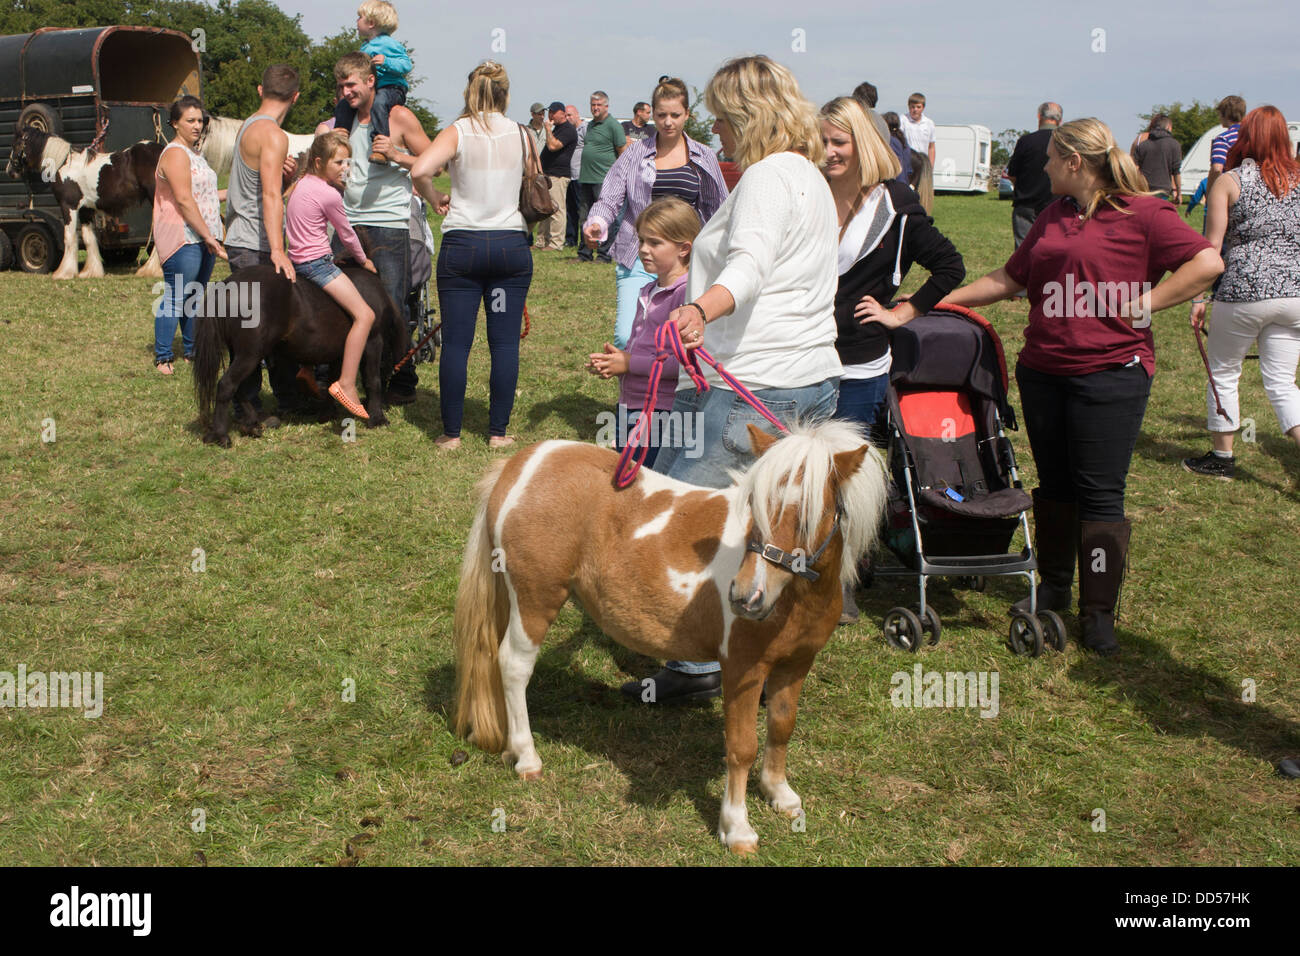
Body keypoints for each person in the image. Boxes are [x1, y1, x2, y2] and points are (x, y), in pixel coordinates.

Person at [865, 118, 1223, 657]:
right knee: (1054, 488)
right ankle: (1054, 585)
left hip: (1111, 374)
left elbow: (1208, 262)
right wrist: (925, 306)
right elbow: (1010, 279)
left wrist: (1150, 303)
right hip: (1044, 371)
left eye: (1050, 160)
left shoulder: (1145, 212)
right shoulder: (1055, 215)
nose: (1041, 168)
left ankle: (1097, 611)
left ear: (1075, 162)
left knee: (1101, 494)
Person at [620, 55, 842, 703]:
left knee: (683, 518)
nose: (714, 126)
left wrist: (698, 307)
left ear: (751, 113)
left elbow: (747, 266)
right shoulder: (808, 178)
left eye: (722, 113)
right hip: (808, 379)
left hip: (754, 386)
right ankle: (764, 649)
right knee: (770, 528)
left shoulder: (770, 177)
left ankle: (693, 668)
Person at [820, 96, 965, 622]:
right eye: (823, 142)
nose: (830, 152)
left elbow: (950, 266)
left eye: (840, 143)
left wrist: (903, 312)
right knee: (804, 471)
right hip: (801, 356)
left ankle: (844, 582)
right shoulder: (807, 189)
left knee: (847, 476)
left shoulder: (896, 203)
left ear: (864, 145)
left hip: (859, 363)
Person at [410, 60, 532, 450]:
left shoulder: (457, 131)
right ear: (505, 94)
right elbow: (536, 180)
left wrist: (435, 198)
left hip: (463, 246)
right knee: (505, 343)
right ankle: (498, 433)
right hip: (509, 247)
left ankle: (451, 434)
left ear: (470, 91)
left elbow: (420, 170)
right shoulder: (524, 134)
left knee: (459, 343)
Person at [1183, 106, 1300, 480]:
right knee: (1283, 382)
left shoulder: (1230, 181)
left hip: (1244, 291)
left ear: (1246, 136)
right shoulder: (1298, 179)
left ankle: (1222, 458)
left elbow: (1211, 250)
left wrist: (1199, 297)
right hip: (1294, 293)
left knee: (1223, 372)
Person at [582, 77, 727, 349]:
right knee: (627, 337)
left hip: (687, 261)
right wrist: (597, 222)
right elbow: (610, 196)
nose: (668, 122)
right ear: (652, 114)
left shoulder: (704, 156)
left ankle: (672, 390)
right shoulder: (635, 154)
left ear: (687, 115)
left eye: (675, 115)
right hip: (638, 254)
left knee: (679, 337)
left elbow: (719, 207)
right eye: (661, 115)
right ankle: (631, 390)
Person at [333, 51, 433, 407]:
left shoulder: (398, 117)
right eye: (342, 85)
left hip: (389, 223)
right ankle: (348, 375)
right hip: (347, 222)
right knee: (337, 299)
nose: (347, 92)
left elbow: (435, 164)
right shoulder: (341, 120)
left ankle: (402, 380)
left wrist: (396, 154)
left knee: (393, 305)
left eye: (353, 84)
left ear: (371, 80)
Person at [585, 197, 699, 468]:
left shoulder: (688, 295)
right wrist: (618, 362)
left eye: (655, 243)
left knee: (647, 484)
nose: (644, 250)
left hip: (664, 410)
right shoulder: (649, 289)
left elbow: (684, 363)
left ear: (684, 248)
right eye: (641, 241)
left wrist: (628, 363)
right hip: (632, 403)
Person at [223, 64, 301, 422]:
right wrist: (277, 250)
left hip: (239, 237)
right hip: (254, 245)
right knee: (254, 332)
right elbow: (270, 196)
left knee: (252, 326)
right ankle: (246, 408)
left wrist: (289, 179)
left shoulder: (248, 126)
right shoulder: (273, 135)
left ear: (260, 89)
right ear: (295, 97)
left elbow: (266, 187)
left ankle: (265, 402)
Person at [285, 130, 380, 419]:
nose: (345, 169)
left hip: (297, 262)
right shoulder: (329, 194)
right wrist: (363, 261)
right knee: (365, 315)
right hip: (318, 264)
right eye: (339, 163)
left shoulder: (300, 185)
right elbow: (347, 235)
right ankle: (347, 384)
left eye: (347, 162)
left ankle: (307, 367)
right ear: (318, 161)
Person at [152, 95, 227, 374]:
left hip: (203, 235)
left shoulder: (196, 154)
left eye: (200, 120)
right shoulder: (174, 154)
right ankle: (162, 356)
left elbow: (205, 195)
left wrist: (235, 194)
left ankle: (192, 350)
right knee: (176, 295)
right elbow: (184, 200)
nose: (197, 126)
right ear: (175, 123)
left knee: (193, 295)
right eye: (190, 121)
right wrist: (208, 237)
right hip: (183, 236)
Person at [332, 1, 411, 165]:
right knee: (343, 104)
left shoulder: (388, 43)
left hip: (392, 87)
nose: (357, 21)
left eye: (360, 17)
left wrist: (387, 61)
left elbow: (406, 65)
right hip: (377, 87)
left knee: (379, 104)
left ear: (371, 23)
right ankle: (340, 135)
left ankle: (380, 145)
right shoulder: (366, 46)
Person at [576, 91, 627, 263]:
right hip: (586, 178)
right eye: (593, 105)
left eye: (599, 105)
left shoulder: (613, 126)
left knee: (606, 218)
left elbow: (622, 153)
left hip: (604, 180)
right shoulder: (589, 126)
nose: (595, 108)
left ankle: (604, 255)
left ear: (606, 106)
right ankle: (584, 254)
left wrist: (619, 179)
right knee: (584, 218)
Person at [1007, 102, 1062, 247]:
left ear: (1039, 116)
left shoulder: (1026, 141)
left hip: (1026, 206)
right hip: (1057, 206)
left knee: (1023, 252)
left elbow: (1012, 174)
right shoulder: (1065, 143)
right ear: (1060, 120)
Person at [535, 101, 575, 251]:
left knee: (557, 209)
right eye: (549, 112)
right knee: (544, 209)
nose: (550, 115)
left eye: (553, 112)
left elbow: (553, 146)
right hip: (547, 174)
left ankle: (556, 243)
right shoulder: (557, 129)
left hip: (558, 176)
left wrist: (547, 129)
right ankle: (542, 241)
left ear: (562, 113)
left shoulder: (568, 130)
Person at [1132, 114, 1182, 202]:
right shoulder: (1174, 145)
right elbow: (1176, 172)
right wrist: (1178, 192)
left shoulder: (1143, 145)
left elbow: (1134, 168)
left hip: (1144, 189)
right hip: (1163, 190)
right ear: (1168, 127)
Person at [1208, 96, 1247, 192]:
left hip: (1231, 188)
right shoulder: (1253, 137)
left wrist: (1210, 191)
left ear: (1225, 114)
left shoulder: (1223, 139)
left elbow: (1217, 169)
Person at [565, 104, 585, 247]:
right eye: (565, 115)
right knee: (570, 210)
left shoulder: (585, 129)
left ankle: (585, 241)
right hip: (569, 176)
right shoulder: (568, 131)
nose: (567, 118)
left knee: (582, 209)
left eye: (570, 115)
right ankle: (571, 239)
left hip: (581, 175)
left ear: (577, 114)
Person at [899, 92, 936, 166]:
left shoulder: (929, 123)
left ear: (923, 107)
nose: (915, 109)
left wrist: (930, 168)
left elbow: (931, 147)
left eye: (918, 107)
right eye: (912, 107)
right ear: (908, 107)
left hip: (922, 164)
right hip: (906, 163)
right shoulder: (902, 120)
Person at [881, 111, 914, 186]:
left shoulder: (891, 141)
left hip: (895, 182)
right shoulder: (902, 140)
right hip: (904, 181)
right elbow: (909, 168)